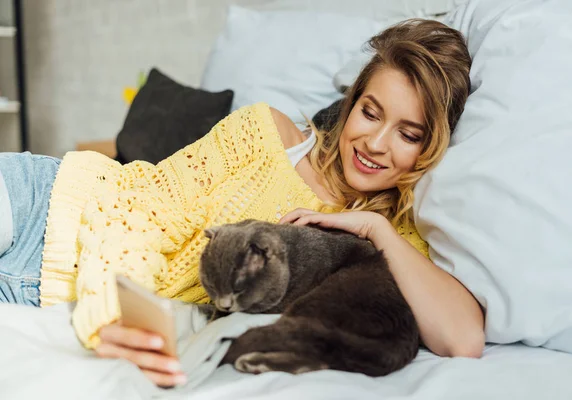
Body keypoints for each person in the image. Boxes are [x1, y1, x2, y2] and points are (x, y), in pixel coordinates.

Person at [0, 19, 478, 386]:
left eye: (408, 134)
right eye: (369, 113)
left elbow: (463, 339)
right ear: (352, 103)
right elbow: (138, 211)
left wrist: (378, 231)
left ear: (430, 148)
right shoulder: (267, 133)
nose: (375, 143)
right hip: (44, 203)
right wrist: (110, 316)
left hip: (30, 292)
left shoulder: (397, 242)